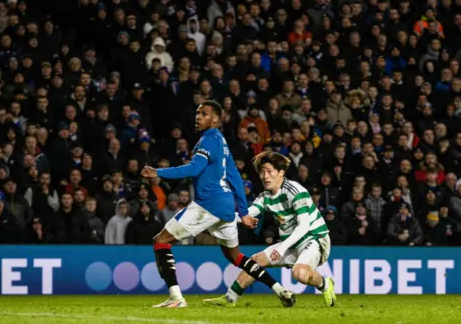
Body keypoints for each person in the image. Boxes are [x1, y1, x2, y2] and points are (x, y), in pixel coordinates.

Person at [141, 101, 292, 308]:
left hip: (208, 205)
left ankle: (176, 298)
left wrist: (157, 172)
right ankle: (280, 290)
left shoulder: (207, 141)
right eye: (197, 113)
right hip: (226, 207)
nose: (198, 117)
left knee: (160, 241)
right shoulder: (221, 142)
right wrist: (243, 212)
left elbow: (193, 169)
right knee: (236, 256)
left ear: (216, 119)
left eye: (204, 114)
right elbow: (235, 177)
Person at [203, 151, 336, 307]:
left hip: (313, 238)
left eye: (269, 171)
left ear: (281, 173)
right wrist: (219, 217)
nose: (265, 176)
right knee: (256, 260)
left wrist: (282, 248)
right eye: (262, 172)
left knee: (299, 274)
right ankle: (230, 298)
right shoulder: (266, 196)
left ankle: (325, 284)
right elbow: (249, 213)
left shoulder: (295, 191)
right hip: (292, 241)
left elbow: (304, 226)